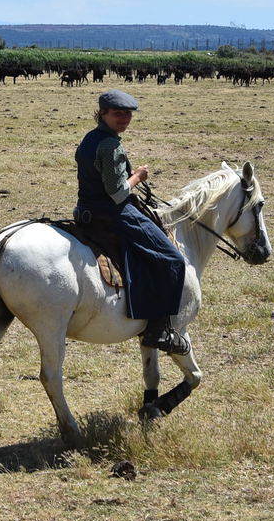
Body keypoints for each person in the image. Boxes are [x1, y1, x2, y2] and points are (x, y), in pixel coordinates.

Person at [73, 89, 189, 354]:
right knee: (173, 259)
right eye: (118, 113)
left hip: (86, 210)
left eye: (128, 114)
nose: (124, 118)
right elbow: (117, 193)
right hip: (114, 214)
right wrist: (138, 176)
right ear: (103, 113)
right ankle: (158, 331)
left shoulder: (90, 138)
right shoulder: (110, 145)